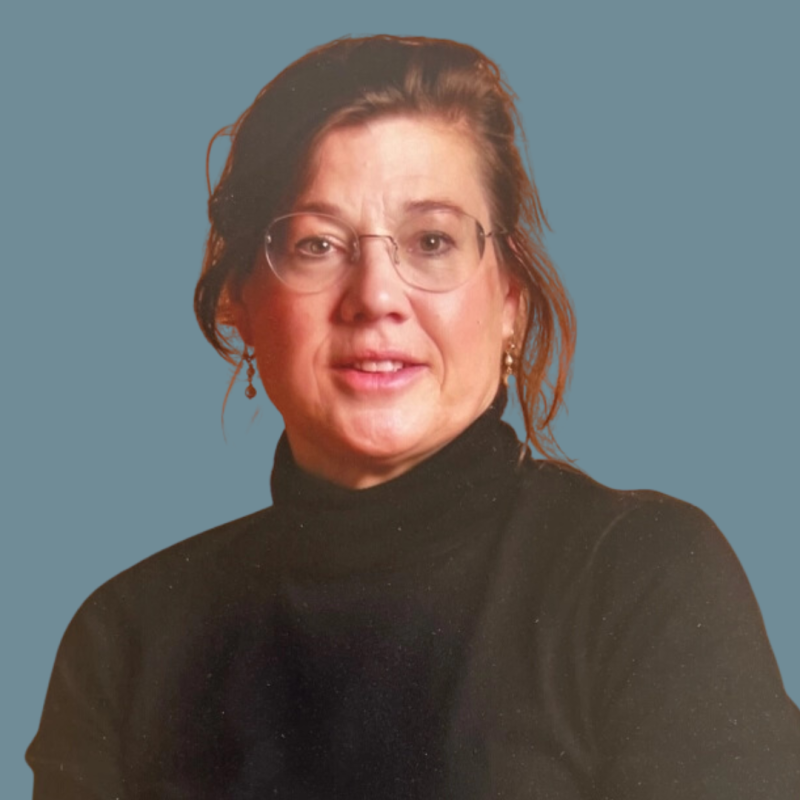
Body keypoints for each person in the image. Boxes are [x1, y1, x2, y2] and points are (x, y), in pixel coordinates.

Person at [26, 34, 800, 799]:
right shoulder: (124, 641)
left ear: (509, 301)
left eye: (431, 241)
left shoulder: (643, 579)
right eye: (317, 244)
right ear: (239, 301)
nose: (376, 297)